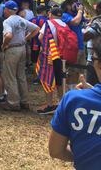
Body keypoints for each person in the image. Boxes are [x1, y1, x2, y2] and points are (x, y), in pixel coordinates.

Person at [48, 36, 101, 170]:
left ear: (98, 64)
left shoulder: (73, 100)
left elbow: (56, 150)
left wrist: (84, 155)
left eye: (93, 58)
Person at [2, 0, 39, 111]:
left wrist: (4, 45)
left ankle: (13, 103)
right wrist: (25, 39)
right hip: (22, 48)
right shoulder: (21, 19)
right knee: (21, 76)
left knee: (11, 77)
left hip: (12, 49)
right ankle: (25, 101)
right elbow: (36, 29)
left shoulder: (7, 22)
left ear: (7, 10)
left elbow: (8, 35)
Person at [37, 7, 65, 114]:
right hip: (61, 56)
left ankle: (50, 105)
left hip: (50, 55)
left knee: (48, 79)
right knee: (59, 81)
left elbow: (41, 37)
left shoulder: (48, 23)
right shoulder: (64, 24)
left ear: (51, 14)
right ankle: (61, 104)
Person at [61, 0, 86, 86]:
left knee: (82, 70)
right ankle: (72, 90)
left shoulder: (77, 14)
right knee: (72, 71)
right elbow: (74, 22)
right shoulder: (65, 15)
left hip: (81, 47)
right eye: (73, 3)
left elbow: (84, 21)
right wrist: (79, 11)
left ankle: (81, 89)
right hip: (72, 48)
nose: (76, 5)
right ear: (67, 6)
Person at [83, 0, 101, 86]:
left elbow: (86, 36)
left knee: (92, 89)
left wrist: (88, 26)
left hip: (96, 62)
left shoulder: (98, 21)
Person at [30, 5, 48, 84]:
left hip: (33, 43)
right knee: (44, 60)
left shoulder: (31, 20)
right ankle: (43, 77)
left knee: (34, 60)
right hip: (44, 44)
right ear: (43, 11)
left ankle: (36, 77)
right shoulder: (47, 20)